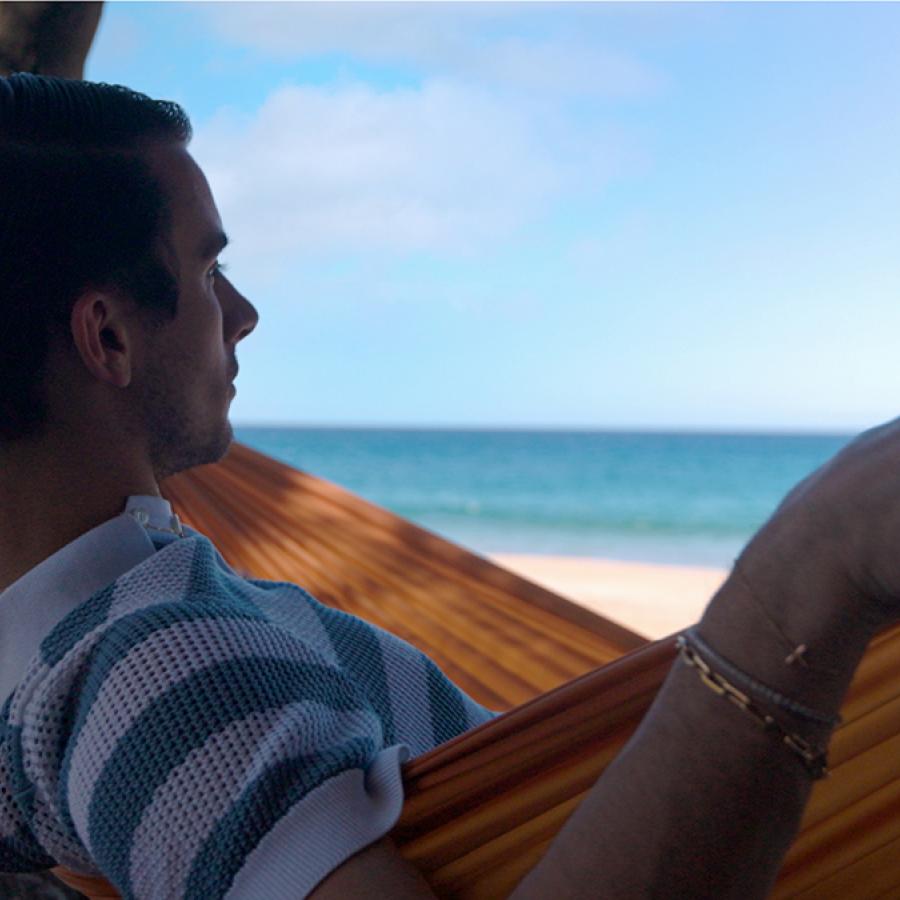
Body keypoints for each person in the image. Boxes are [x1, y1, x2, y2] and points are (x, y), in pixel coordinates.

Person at [0, 73, 897, 900]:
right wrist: (802, 576)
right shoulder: (154, 672)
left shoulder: (95, 631)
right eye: (208, 270)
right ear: (108, 338)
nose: (242, 313)